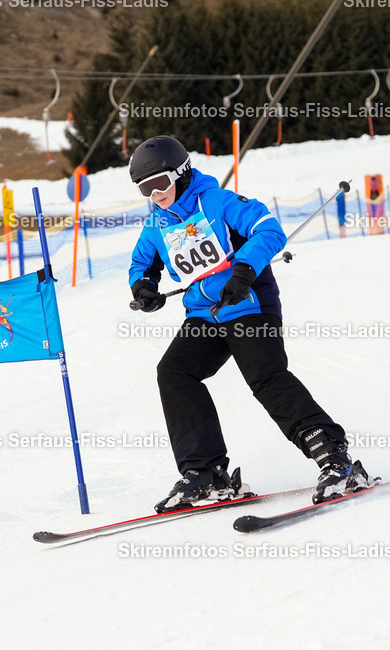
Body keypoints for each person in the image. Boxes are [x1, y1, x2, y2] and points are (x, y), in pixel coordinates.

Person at [127, 135, 372, 514]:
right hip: (204, 314)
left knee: (265, 377)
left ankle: (333, 457)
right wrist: (144, 288)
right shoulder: (157, 224)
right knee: (174, 372)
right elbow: (141, 263)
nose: (155, 193)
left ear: (181, 173)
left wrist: (242, 272)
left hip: (249, 304)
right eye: (145, 188)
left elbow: (269, 229)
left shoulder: (217, 201)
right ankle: (204, 473)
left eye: (160, 183)